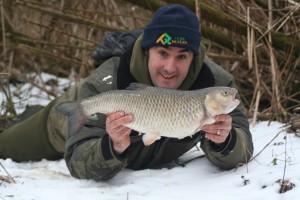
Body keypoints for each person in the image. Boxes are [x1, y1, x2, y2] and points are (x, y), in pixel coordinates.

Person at [0, 4, 253, 180]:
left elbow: (243, 143)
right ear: (147, 51)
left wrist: (226, 141)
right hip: (70, 116)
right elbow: (78, 160)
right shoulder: (104, 82)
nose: (170, 68)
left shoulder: (216, 86)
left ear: (194, 57)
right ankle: (24, 119)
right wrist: (111, 147)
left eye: (182, 57)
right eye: (162, 53)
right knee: (6, 144)